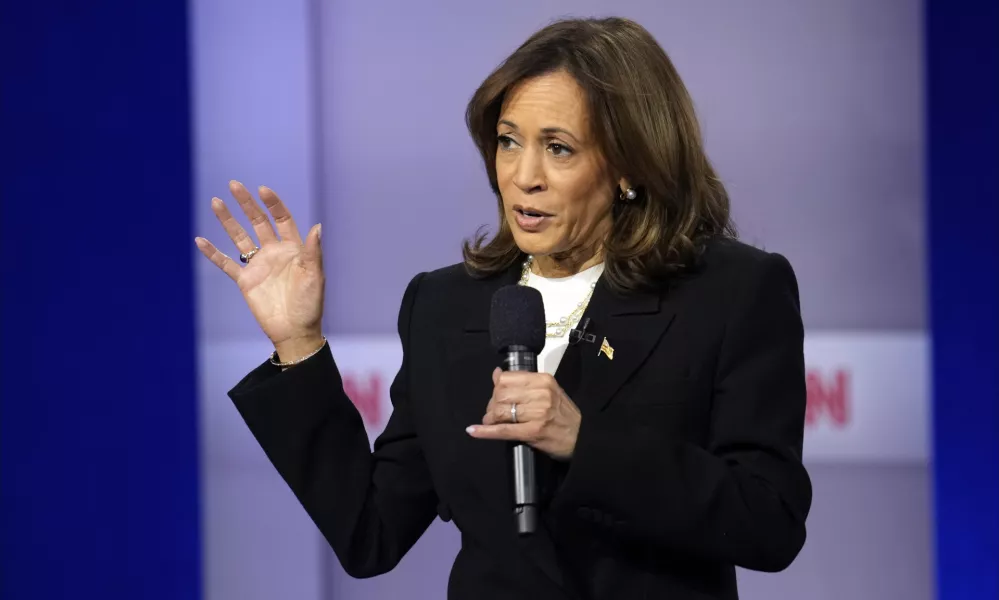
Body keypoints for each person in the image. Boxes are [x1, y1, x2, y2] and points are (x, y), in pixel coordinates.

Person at [195, 16, 812, 600]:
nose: (524, 176)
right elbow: (371, 532)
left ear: (629, 165)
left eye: (559, 148)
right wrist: (298, 344)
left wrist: (586, 444)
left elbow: (769, 521)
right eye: (508, 141)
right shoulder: (443, 304)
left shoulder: (729, 291)